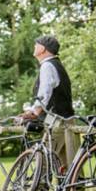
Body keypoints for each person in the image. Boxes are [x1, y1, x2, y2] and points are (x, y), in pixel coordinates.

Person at [20, 35, 76, 168]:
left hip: (57, 121)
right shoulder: (55, 64)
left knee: (43, 163)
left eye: (36, 44)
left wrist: (35, 112)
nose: (34, 46)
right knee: (67, 165)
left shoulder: (47, 66)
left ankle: (39, 189)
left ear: (43, 49)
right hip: (64, 119)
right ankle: (73, 189)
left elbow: (45, 93)